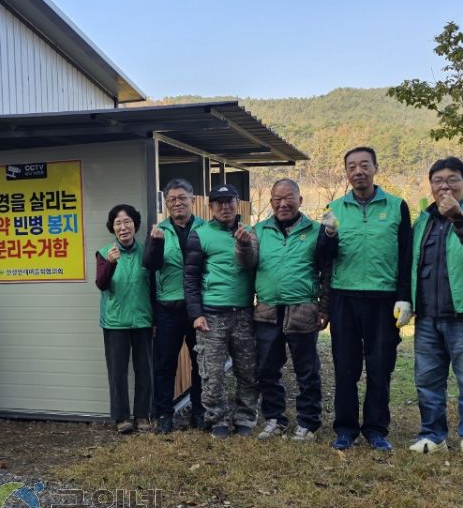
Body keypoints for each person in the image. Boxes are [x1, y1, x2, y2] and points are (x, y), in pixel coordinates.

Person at [409, 157, 463, 463]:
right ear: (431, 185)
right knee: (427, 382)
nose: (444, 185)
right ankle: (432, 436)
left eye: (452, 179)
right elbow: (412, 264)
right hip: (427, 318)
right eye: (437, 180)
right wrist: (408, 301)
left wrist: (458, 217)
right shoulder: (422, 221)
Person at [327, 147, 413, 452]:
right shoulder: (334, 208)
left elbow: (406, 256)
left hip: (383, 299)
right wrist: (327, 238)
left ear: (376, 167)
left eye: (364, 165)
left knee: (380, 366)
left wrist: (405, 298)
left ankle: (376, 429)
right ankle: (346, 429)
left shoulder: (396, 206)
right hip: (344, 299)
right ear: (346, 173)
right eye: (352, 166)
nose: (358, 171)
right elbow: (325, 259)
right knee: (345, 367)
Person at [252, 179, 337, 443]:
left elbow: (327, 272)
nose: (283, 203)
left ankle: (308, 423)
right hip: (267, 310)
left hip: (303, 310)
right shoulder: (259, 230)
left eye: (289, 198)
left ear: (300, 201)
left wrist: (324, 307)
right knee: (267, 369)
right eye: (277, 198)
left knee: (307, 370)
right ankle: (274, 419)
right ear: (271, 201)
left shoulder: (315, 230)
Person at [184, 183, 259, 439]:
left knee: (248, 371)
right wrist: (196, 314)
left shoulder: (250, 232)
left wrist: (246, 244)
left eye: (230, 201)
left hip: (245, 313)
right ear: (211, 206)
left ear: (238, 204)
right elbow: (190, 278)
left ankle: (246, 419)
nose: (225, 207)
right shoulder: (199, 234)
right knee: (211, 373)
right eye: (219, 203)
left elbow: (256, 266)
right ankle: (217, 419)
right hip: (212, 315)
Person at [143, 178, 208, 434]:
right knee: (165, 365)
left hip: (198, 309)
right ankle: (164, 416)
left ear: (192, 199)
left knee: (199, 363)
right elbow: (150, 265)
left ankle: (199, 412)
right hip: (167, 308)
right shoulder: (158, 230)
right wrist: (155, 243)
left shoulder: (206, 229)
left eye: (182, 197)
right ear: (166, 204)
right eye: (172, 199)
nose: (177, 202)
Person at [96, 204, 154, 434]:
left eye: (127, 221)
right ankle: (122, 418)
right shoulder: (104, 253)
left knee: (144, 370)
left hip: (143, 319)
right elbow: (101, 283)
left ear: (135, 225)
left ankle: (142, 416)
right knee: (117, 371)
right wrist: (110, 263)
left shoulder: (146, 251)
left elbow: (153, 289)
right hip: (115, 321)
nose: (123, 227)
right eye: (118, 223)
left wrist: (156, 319)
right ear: (113, 228)